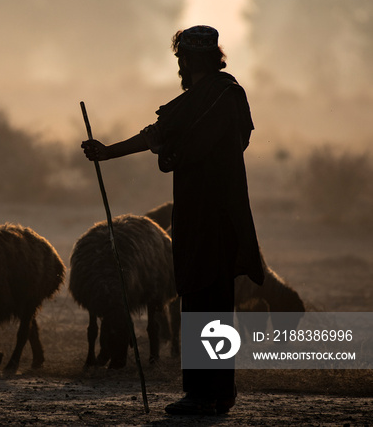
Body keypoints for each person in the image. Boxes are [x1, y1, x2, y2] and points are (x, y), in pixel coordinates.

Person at [81, 25, 264, 416]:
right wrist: (110, 152)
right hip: (226, 214)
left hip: (202, 216)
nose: (181, 64)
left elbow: (157, 137)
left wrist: (106, 153)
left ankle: (201, 393)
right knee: (216, 303)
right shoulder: (228, 96)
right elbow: (175, 137)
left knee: (200, 301)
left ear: (186, 60)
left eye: (182, 57)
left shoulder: (203, 100)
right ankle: (220, 392)